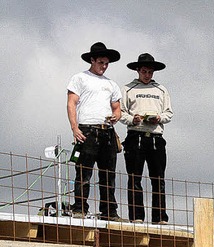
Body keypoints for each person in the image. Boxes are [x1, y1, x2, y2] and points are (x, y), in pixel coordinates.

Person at [67, 42, 123, 221]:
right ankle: (79, 208)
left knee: (108, 174)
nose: (104, 66)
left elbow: (117, 108)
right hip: (87, 129)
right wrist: (74, 127)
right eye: (101, 62)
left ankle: (109, 211)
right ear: (92, 60)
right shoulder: (80, 78)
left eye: (106, 63)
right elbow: (71, 103)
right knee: (83, 171)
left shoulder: (111, 84)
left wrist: (116, 116)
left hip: (107, 130)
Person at [120, 53, 173, 224]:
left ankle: (159, 217)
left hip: (156, 136)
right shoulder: (128, 89)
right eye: (144, 71)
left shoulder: (161, 90)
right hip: (135, 135)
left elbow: (169, 113)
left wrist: (159, 118)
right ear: (138, 70)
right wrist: (132, 119)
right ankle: (136, 216)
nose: (147, 75)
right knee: (135, 177)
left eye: (150, 72)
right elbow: (120, 112)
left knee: (158, 178)